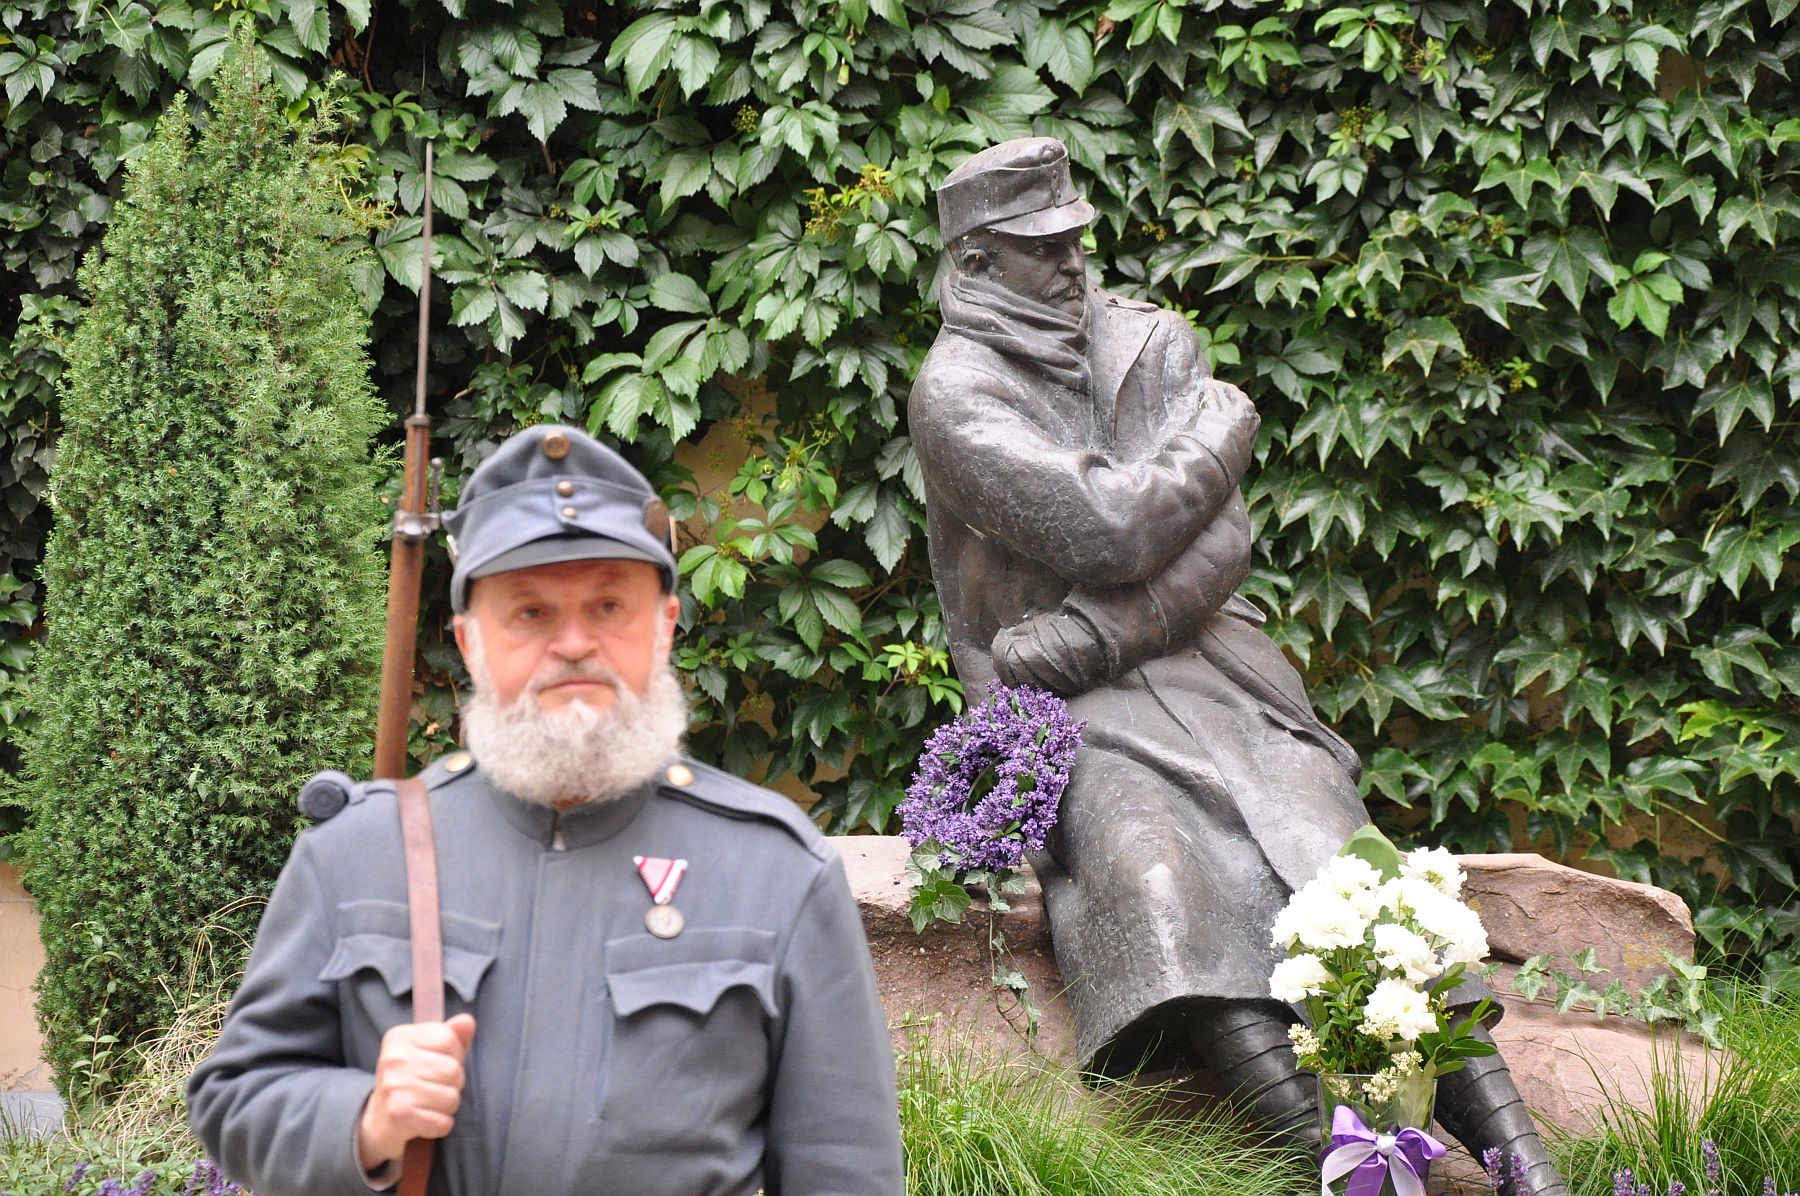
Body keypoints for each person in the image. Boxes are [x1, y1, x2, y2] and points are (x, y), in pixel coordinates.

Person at [906, 137, 1566, 1195]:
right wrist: (1223, 429)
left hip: (1207, 658)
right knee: (1154, 870)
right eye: (1041, 249)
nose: (1075, 260)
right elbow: (1109, 530)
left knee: (1334, 850)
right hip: (1063, 704)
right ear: (976, 265)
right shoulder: (955, 392)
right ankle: (1344, 1174)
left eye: (1076, 237)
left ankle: (1529, 1169)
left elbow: (1221, 544)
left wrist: (1093, 629)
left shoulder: (1147, 338)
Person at [188, 425, 905, 1196]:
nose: (572, 643)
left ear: (663, 628)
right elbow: (236, 1099)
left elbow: (847, 1170)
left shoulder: (776, 872)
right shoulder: (359, 851)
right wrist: (366, 1118)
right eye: (529, 613)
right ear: (470, 643)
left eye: (607, 605)